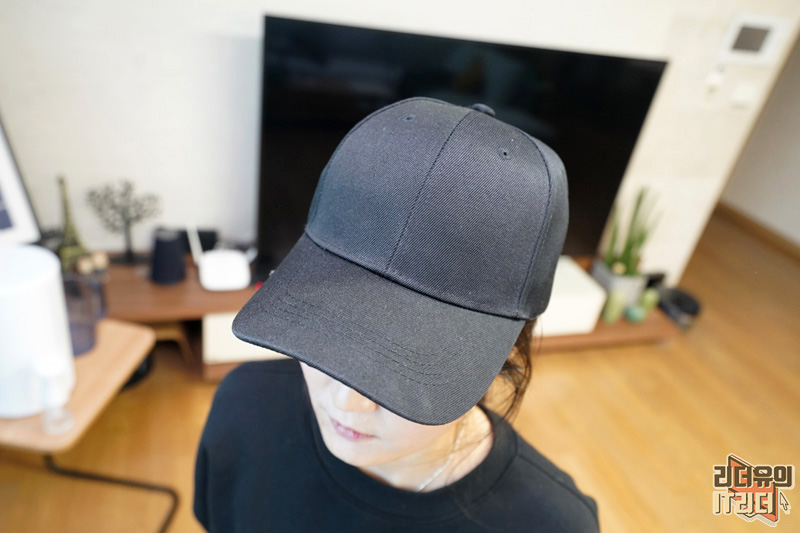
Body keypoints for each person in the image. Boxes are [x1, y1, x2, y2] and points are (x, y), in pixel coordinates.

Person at [194, 97, 600, 532]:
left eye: (406, 365)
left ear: (509, 352)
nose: (347, 402)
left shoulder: (551, 524)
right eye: (327, 329)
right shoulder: (242, 410)